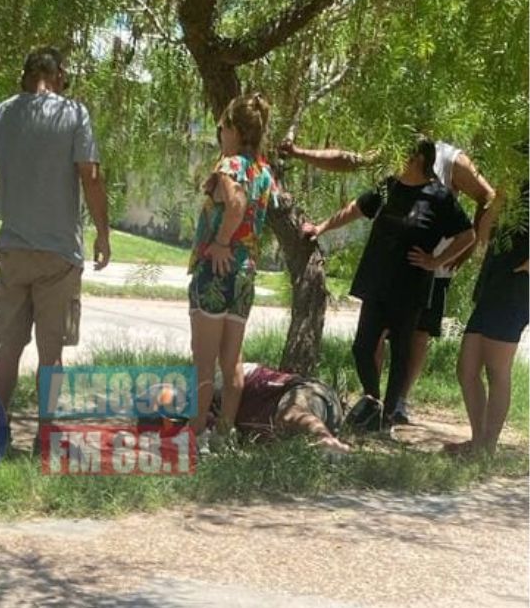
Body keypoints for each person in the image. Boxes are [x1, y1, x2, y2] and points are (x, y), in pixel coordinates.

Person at [280, 138, 495, 423]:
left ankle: (389, 413)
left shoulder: (439, 196)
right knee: (362, 346)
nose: (393, 158)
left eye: (399, 152)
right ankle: (373, 398)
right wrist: (321, 227)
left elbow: (467, 235)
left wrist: (436, 261)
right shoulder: (389, 186)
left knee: (401, 350)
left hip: (411, 286)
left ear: (417, 157)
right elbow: (356, 208)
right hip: (377, 279)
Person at [0, 47, 110, 439]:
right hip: (58, 252)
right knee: (51, 352)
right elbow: (89, 176)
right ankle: (47, 435)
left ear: (25, 75)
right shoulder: (74, 114)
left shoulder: (2, 114)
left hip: (13, 247)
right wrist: (103, 232)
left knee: (9, 346)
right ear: (58, 75)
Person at [187, 94, 275, 442]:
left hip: (217, 270)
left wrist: (221, 241)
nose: (219, 133)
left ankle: (196, 435)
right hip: (245, 272)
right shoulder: (263, 172)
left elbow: (235, 202)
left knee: (204, 361)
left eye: (221, 127)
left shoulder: (230, 166)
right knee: (232, 360)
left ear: (235, 130)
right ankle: (224, 434)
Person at [450, 174, 528, 455]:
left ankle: (487, 446)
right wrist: (499, 201)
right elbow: (483, 233)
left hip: (516, 288)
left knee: (497, 370)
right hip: (492, 282)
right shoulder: (515, 185)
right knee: (466, 367)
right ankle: (478, 439)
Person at [214, 363, 350, 454]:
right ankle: (325, 442)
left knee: (289, 414)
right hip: (317, 419)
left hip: (308, 393)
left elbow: (231, 378)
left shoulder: (222, 378)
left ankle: (325, 439)